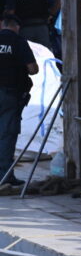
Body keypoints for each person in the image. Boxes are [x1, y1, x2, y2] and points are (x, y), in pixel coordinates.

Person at [0, 14, 38, 186]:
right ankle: (5, 175)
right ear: (16, 27)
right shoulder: (19, 42)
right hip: (10, 95)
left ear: (3, 25)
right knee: (7, 135)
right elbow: (32, 69)